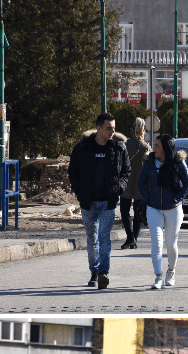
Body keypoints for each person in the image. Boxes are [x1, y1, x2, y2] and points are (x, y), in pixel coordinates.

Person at [67, 112, 130, 290]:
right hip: (88, 202)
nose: (112, 132)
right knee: (92, 238)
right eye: (109, 128)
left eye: (114, 128)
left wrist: (120, 188)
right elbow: (73, 172)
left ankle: (103, 273)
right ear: (99, 128)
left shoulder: (119, 148)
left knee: (104, 238)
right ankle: (94, 272)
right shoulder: (82, 148)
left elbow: (126, 171)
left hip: (108, 202)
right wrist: (79, 192)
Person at [137, 134, 188, 290]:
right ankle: (158, 276)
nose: (154, 148)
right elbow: (141, 181)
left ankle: (171, 271)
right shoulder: (149, 163)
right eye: (154, 144)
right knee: (156, 243)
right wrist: (147, 197)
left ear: (166, 149)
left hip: (173, 209)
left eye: (158, 145)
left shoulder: (178, 163)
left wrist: (176, 198)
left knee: (170, 244)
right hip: (153, 208)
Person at [119, 117, 150, 250]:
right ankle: (134, 240)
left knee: (125, 211)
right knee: (138, 213)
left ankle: (130, 239)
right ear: (143, 131)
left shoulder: (125, 145)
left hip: (126, 183)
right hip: (140, 185)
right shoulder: (146, 147)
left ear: (132, 130)